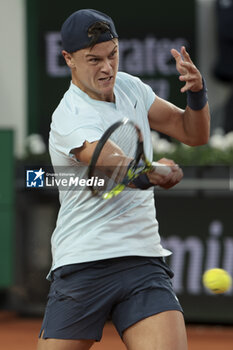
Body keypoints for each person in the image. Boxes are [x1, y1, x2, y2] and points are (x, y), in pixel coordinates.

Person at [37, 9, 210, 350]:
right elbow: (115, 166)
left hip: (141, 260)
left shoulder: (130, 86)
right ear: (68, 59)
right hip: (83, 263)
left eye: (113, 54)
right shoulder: (70, 116)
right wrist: (153, 172)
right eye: (94, 60)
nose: (107, 68)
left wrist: (197, 93)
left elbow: (193, 134)